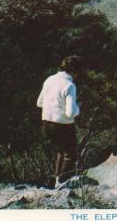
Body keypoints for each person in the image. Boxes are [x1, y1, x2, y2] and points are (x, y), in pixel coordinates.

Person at [37, 56, 80, 187]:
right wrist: (79, 107)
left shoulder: (49, 80)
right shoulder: (69, 85)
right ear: (75, 70)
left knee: (61, 151)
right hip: (62, 125)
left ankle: (55, 179)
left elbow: (39, 103)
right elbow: (71, 113)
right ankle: (62, 182)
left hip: (46, 123)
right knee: (70, 154)